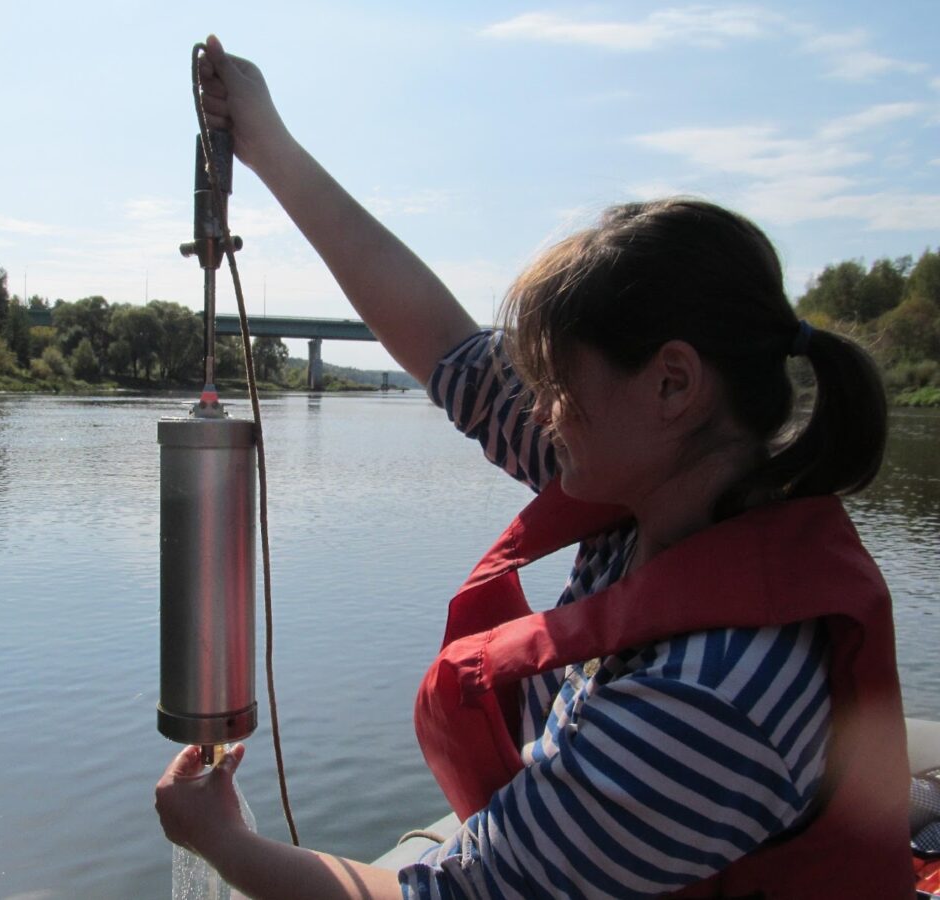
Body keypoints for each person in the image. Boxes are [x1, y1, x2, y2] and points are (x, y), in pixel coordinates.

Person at [155, 35, 914, 898]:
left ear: (673, 382)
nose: (537, 406)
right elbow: (450, 351)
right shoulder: (663, 491)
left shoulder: (709, 698)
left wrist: (222, 842)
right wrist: (269, 145)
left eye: (557, 381)